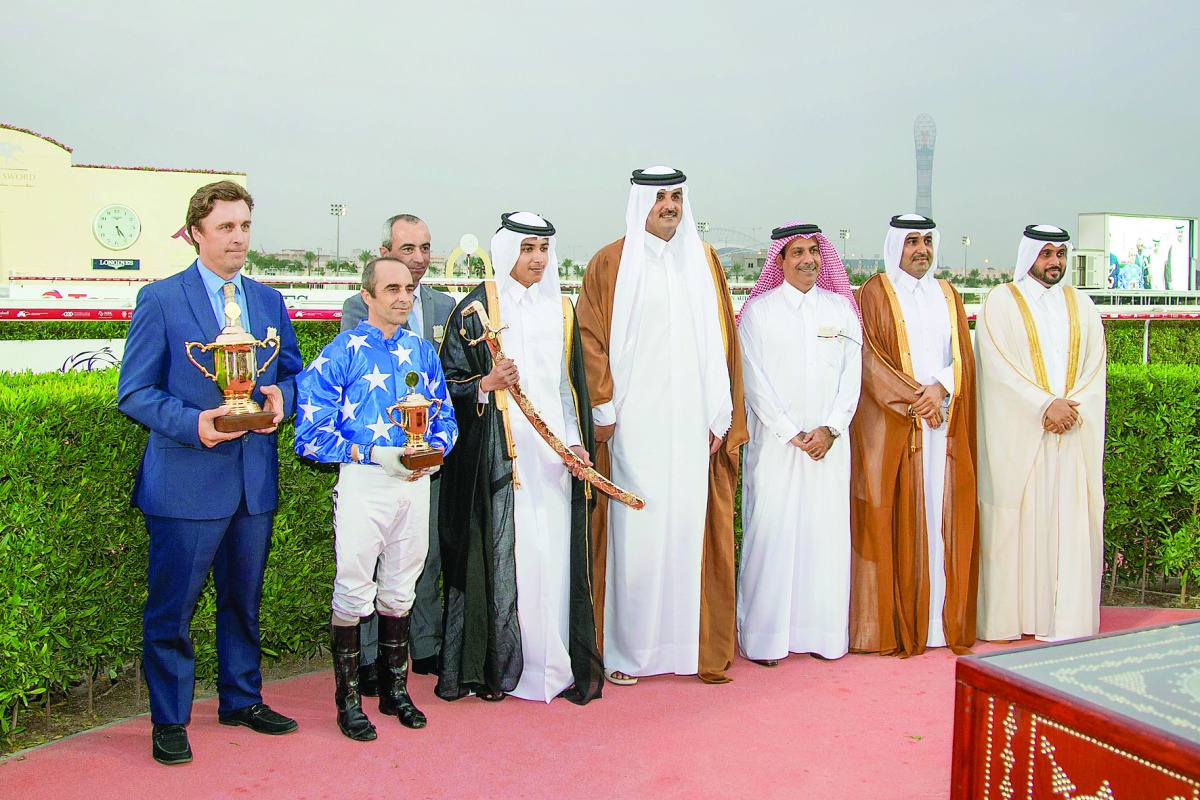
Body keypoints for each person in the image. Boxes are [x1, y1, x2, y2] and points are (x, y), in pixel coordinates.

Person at [117, 180, 303, 765]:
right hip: (184, 483)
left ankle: (241, 698)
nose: (238, 238)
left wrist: (280, 399)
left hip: (253, 483)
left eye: (245, 226)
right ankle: (169, 721)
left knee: (243, 603)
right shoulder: (162, 299)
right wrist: (194, 423)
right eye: (226, 227)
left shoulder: (269, 302)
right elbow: (134, 392)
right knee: (172, 611)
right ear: (195, 232)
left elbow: (295, 378)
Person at [576, 166, 747, 685]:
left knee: (687, 530)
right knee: (638, 535)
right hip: (636, 429)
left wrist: (722, 411)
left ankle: (686, 649)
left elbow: (723, 342)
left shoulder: (704, 260)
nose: (669, 205)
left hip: (694, 426)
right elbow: (589, 337)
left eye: (676, 196)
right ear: (640, 202)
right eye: (660, 197)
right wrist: (602, 408)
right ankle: (630, 653)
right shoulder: (611, 262)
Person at [436, 212, 603, 704]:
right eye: (528, 248)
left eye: (544, 250)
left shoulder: (562, 310)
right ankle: (510, 665)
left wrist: (576, 443)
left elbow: (568, 387)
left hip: (553, 458)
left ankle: (556, 663)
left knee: (555, 557)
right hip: (500, 459)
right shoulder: (474, 312)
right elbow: (444, 386)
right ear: (508, 250)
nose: (537, 259)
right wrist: (484, 385)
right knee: (512, 557)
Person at [294, 256, 457, 740]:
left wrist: (433, 452)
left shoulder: (423, 352)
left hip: (413, 484)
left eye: (408, 288)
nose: (404, 297)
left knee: (401, 588)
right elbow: (308, 435)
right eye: (391, 289)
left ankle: (395, 691)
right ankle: (347, 702)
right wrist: (372, 453)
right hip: (365, 482)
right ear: (366, 295)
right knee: (352, 589)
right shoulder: (340, 352)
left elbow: (445, 417)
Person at [849, 213, 978, 657]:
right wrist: (914, 400)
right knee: (897, 515)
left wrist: (940, 387)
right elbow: (868, 360)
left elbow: (963, 351)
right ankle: (898, 624)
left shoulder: (948, 294)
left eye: (926, 241)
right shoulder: (873, 294)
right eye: (911, 242)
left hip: (942, 424)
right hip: (895, 428)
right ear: (895, 247)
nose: (921, 249)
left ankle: (942, 623)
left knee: (942, 518)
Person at [737, 222, 862, 664]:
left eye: (814, 252)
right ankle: (765, 639)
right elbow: (752, 380)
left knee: (823, 536)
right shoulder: (759, 313)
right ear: (781, 261)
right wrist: (790, 431)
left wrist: (831, 427)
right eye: (797, 253)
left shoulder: (842, 310)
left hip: (829, 445)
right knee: (771, 533)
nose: (809, 260)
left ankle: (822, 634)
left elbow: (853, 375)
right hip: (776, 448)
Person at [976, 225, 1107, 642]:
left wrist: (1067, 408)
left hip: (1070, 433)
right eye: (1046, 253)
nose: (1054, 262)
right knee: (1021, 518)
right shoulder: (1001, 301)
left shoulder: (1082, 304)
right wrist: (1042, 405)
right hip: (1023, 437)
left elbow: (1094, 365)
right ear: (1029, 256)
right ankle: (1015, 619)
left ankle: (1067, 619)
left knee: (1070, 520)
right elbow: (995, 367)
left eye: (1060, 254)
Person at [341, 214, 456, 684]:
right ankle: (366, 657)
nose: (419, 259)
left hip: (425, 459)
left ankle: (422, 645)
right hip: (375, 460)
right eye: (407, 249)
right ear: (385, 253)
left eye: (426, 248)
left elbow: (449, 382)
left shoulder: (447, 305)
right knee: (367, 563)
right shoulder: (357, 306)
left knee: (420, 556)